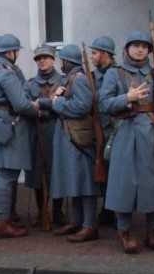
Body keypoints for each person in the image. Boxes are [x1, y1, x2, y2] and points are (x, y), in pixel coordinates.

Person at [99, 30, 154, 254]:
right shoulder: (116, 73)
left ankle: (153, 230)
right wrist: (127, 98)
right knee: (123, 184)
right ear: (127, 49)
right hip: (125, 132)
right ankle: (124, 230)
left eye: (144, 46)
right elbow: (104, 104)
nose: (140, 49)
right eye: (135, 45)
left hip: (152, 134)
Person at [43, 43, 102, 242]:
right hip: (68, 135)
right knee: (74, 180)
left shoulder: (79, 79)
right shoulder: (69, 79)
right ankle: (77, 221)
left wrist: (57, 103)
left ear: (69, 61)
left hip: (77, 137)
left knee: (84, 182)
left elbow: (83, 106)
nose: (61, 64)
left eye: (63, 60)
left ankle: (89, 225)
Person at [0, 33, 39, 238]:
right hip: (11, 124)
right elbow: (20, 104)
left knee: (3, 175)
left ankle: (3, 219)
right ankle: (3, 223)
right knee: (7, 176)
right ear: (11, 52)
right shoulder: (7, 73)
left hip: (0, 122)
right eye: (17, 51)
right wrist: (37, 109)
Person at [23, 43, 65, 229]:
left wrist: (42, 107)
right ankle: (42, 211)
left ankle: (58, 211)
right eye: (38, 59)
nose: (42, 61)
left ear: (53, 59)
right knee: (38, 174)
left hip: (57, 132)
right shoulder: (30, 83)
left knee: (58, 171)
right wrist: (45, 108)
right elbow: (25, 106)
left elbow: (65, 106)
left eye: (45, 57)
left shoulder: (63, 81)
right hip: (36, 132)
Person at [88, 36, 117, 226]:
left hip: (115, 129)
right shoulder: (91, 77)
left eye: (94, 53)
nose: (92, 57)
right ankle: (107, 209)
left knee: (116, 173)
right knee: (102, 172)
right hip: (98, 129)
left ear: (105, 54)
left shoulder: (118, 74)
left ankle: (116, 210)